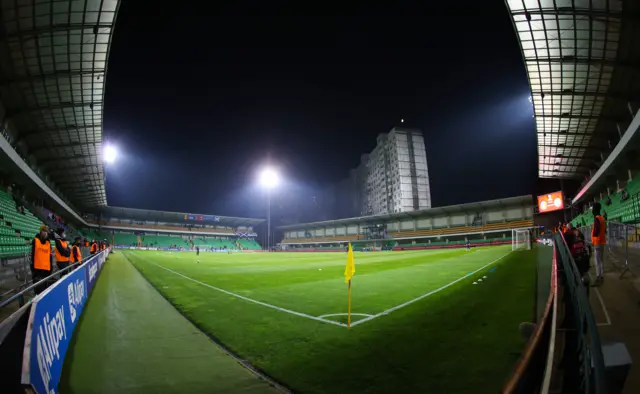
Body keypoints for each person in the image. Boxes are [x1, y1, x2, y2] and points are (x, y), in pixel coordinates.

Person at [565, 224, 590, 292]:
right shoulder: (579, 235)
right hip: (583, 259)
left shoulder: (568, 236)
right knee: (584, 275)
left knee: (578, 276)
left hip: (577, 260)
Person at [31, 225, 53, 295]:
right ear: (40, 232)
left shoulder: (48, 243)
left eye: (46, 231)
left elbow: (50, 256)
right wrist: (32, 267)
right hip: (37, 270)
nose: (45, 233)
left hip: (46, 270)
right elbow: (32, 255)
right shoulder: (35, 241)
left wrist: (51, 267)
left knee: (46, 290)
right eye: (43, 231)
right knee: (38, 291)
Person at [591, 202, 607, 286]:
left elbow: (596, 231)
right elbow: (604, 230)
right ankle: (601, 276)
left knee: (597, 261)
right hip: (602, 242)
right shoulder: (602, 218)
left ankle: (598, 278)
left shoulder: (596, 218)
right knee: (601, 260)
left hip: (597, 242)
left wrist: (592, 240)